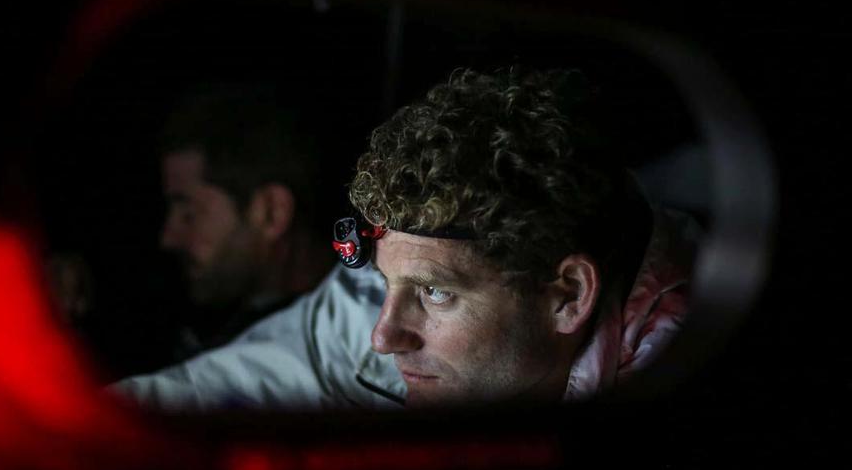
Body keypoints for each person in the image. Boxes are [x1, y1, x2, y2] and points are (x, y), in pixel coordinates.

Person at [115, 67, 698, 410]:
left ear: (568, 295)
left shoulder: (687, 364)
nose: (383, 335)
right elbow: (204, 392)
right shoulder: (376, 295)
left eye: (437, 294)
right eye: (385, 280)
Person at [155, 89, 335, 356]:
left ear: (272, 213)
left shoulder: (330, 351)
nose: (168, 238)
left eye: (189, 213)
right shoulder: (208, 317)